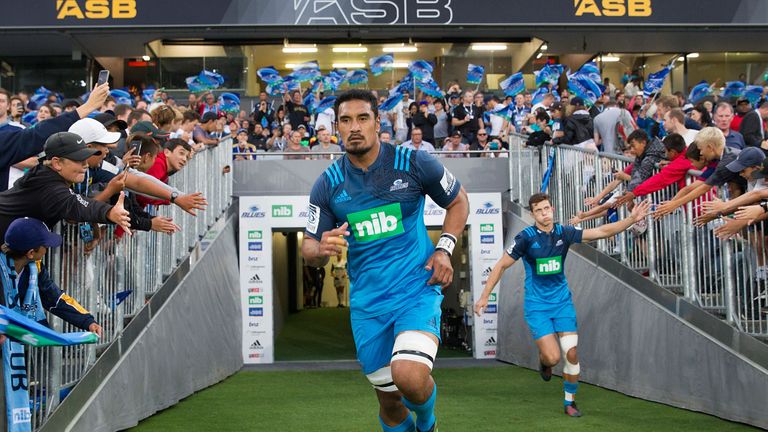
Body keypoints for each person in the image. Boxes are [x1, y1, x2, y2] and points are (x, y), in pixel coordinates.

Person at [302, 89, 469, 432]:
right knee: (390, 403)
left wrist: (444, 248)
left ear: (378, 123)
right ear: (336, 127)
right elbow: (308, 247)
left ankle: (428, 424)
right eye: (345, 120)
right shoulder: (327, 184)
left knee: (408, 376)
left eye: (362, 118)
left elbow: (459, 200)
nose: (354, 127)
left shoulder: (414, 163)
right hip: (368, 305)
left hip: (415, 290)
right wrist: (319, 250)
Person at [475, 193, 651, 418]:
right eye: (538, 210)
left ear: (553, 209)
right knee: (553, 358)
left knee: (572, 354)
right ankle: (544, 361)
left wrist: (631, 220)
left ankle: (570, 401)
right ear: (532, 214)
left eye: (546, 208)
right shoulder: (526, 238)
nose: (543, 213)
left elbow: (601, 232)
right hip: (537, 306)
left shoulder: (563, 233)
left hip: (562, 303)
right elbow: (500, 266)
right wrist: (484, 297)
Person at [0, 132, 132, 244]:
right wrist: (109, 212)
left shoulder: (45, 172)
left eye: (86, 159)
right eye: (79, 159)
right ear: (57, 163)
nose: (85, 165)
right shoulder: (50, 187)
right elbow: (75, 203)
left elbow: (72, 209)